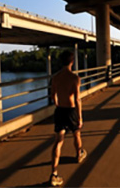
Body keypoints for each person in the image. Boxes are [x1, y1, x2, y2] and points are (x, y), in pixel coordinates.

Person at [49, 50, 87, 186]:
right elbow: (77, 99)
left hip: (60, 111)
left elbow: (53, 96)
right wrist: (80, 117)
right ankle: (78, 154)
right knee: (76, 134)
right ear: (72, 62)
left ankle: (54, 173)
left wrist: (58, 104)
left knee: (58, 142)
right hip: (71, 111)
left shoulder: (55, 78)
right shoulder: (75, 78)